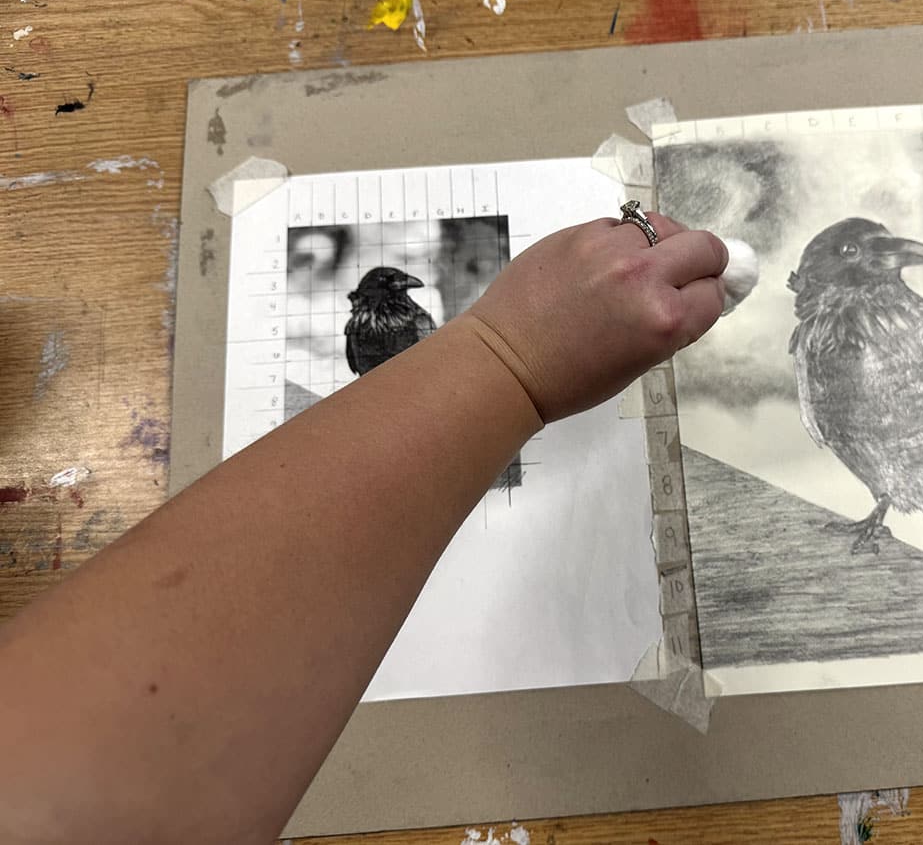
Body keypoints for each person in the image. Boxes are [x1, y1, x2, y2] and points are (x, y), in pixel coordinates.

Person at [0, 211, 728, 845]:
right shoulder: (371, 330)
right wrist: (503, 359)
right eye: (398, 285)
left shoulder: (406, 322)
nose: (410, 291)